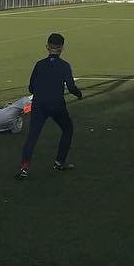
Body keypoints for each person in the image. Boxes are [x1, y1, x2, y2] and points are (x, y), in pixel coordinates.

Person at [16, 33, 82, 179]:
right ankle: (59, 162)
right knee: (67, 128)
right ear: (62, 48)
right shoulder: (64, 66)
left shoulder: (39, 64)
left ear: (47, 47)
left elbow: (31, 87)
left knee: (32, 135)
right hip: (56, 104)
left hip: (39, 104)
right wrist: (78, 94)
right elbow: (71, 87)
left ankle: (24, 168)